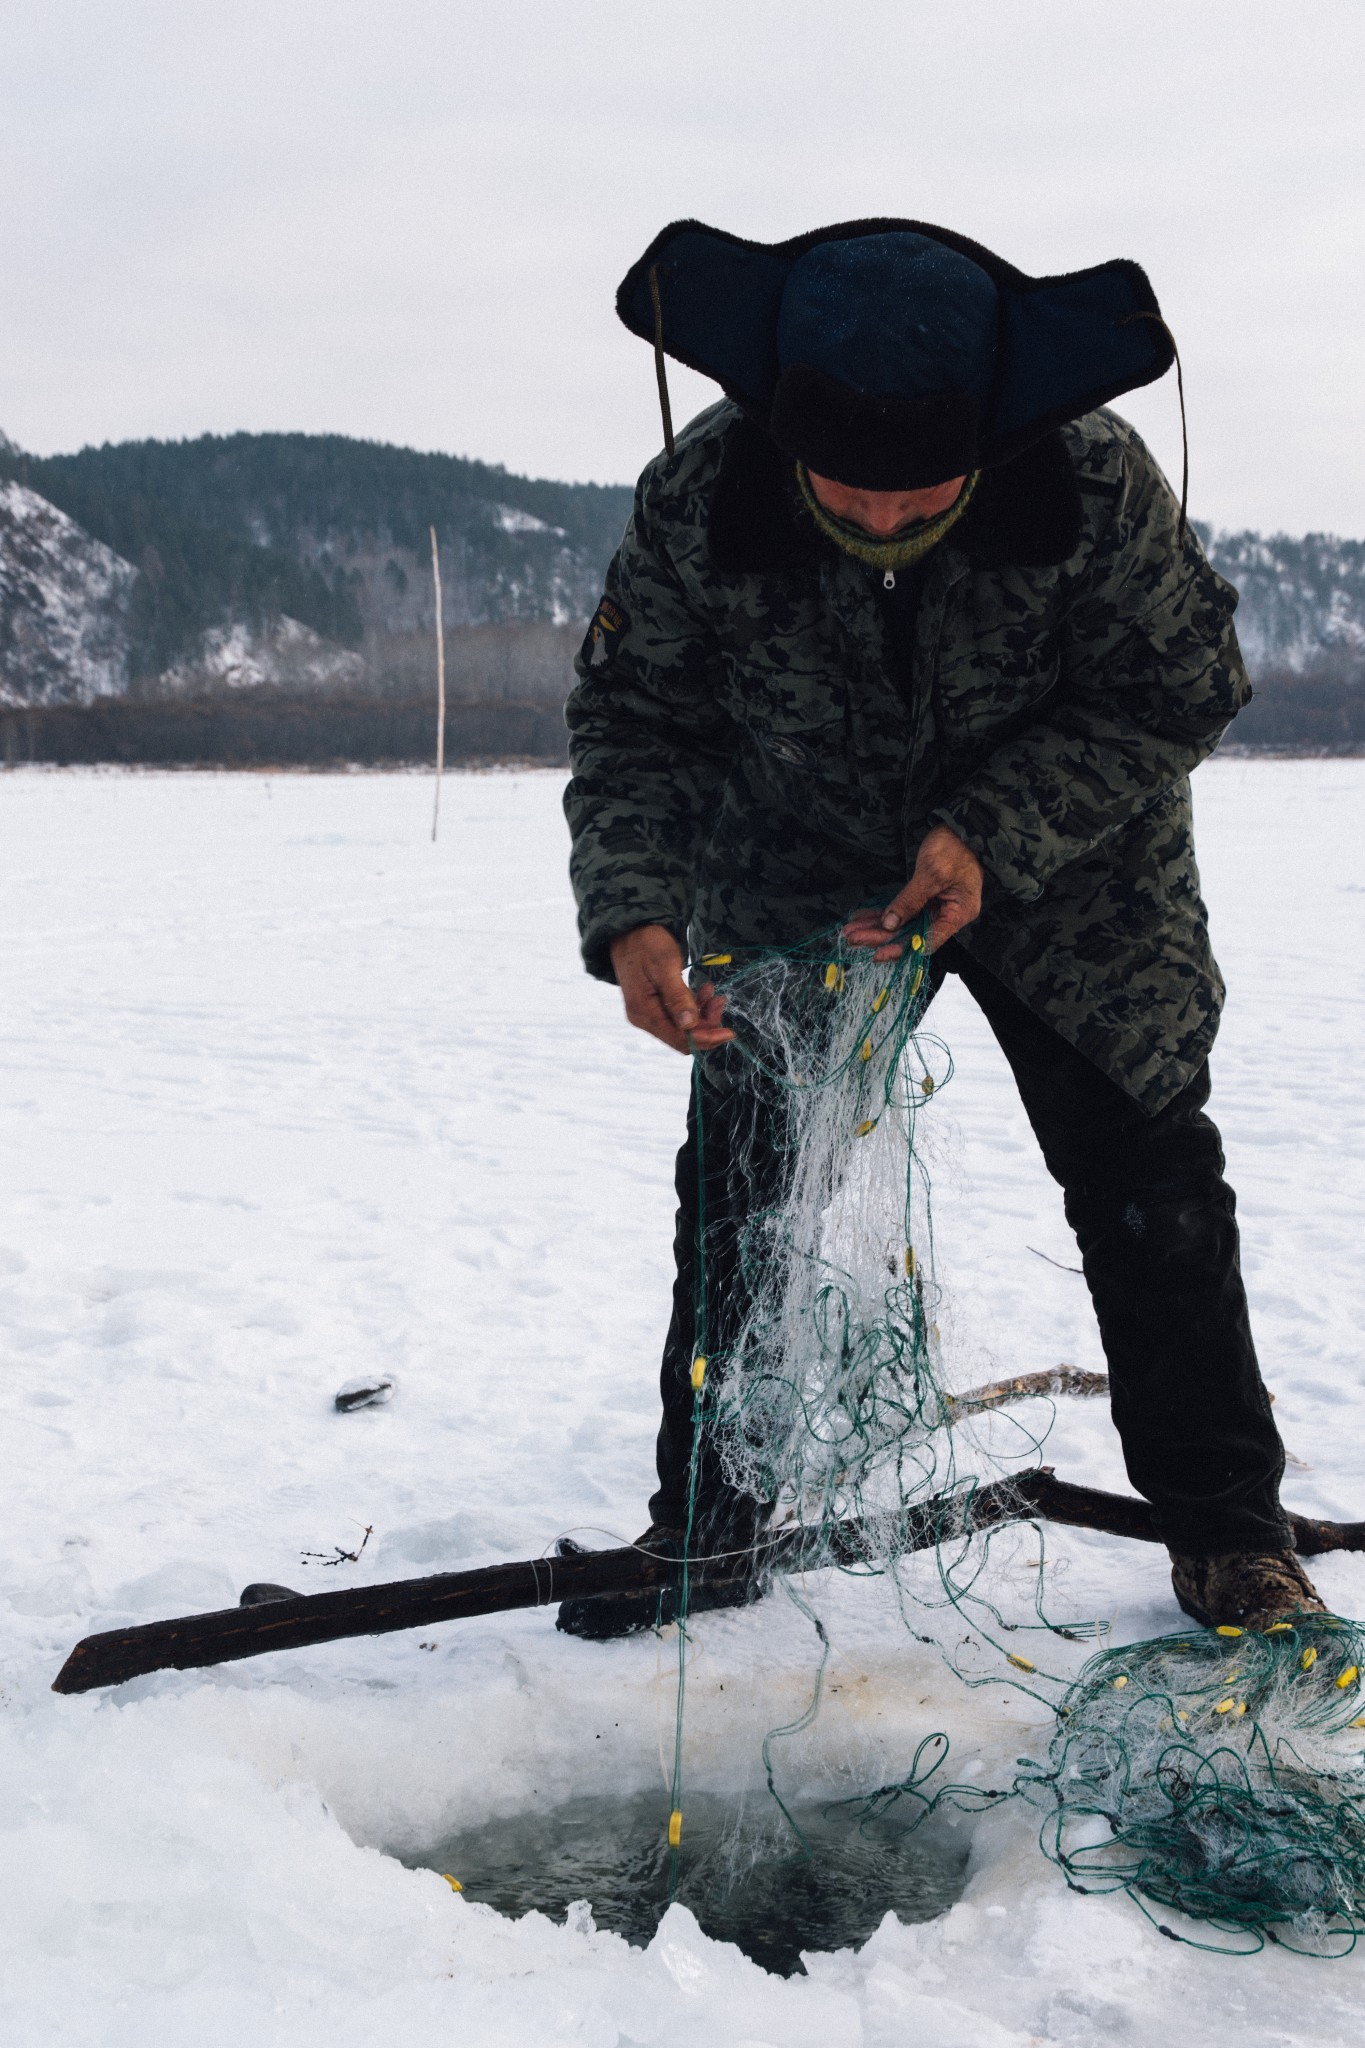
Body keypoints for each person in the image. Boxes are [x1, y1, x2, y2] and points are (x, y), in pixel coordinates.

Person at [560, 218, 1322, 1638]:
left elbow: (1180, 686)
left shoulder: (1092, 478)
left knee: (1146, 1179)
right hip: (797, 870)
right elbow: (634, 719)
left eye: (926, 494)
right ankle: (710, 1524)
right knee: (745, 1187)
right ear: (784, 435)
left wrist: (992, 830)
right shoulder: (698, 497)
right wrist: (632, 911)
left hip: (1076, 871)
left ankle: (1227, 1529)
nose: (888, 520)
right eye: (853, 490)